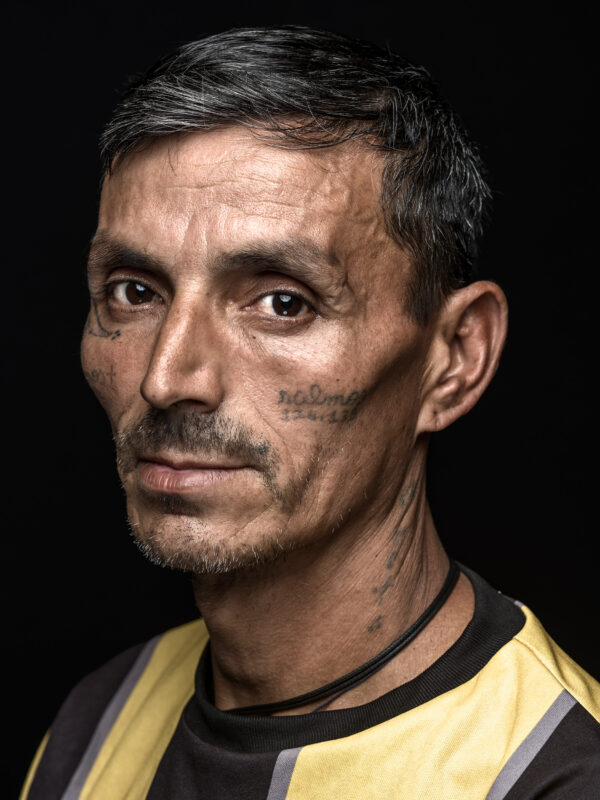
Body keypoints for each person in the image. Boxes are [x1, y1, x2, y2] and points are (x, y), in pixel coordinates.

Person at [21, 26, 599, 800]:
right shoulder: (94, 726)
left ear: (454, 359)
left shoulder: (555, 774)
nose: (167, 377)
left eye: (281, 303)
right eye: (135, 291)